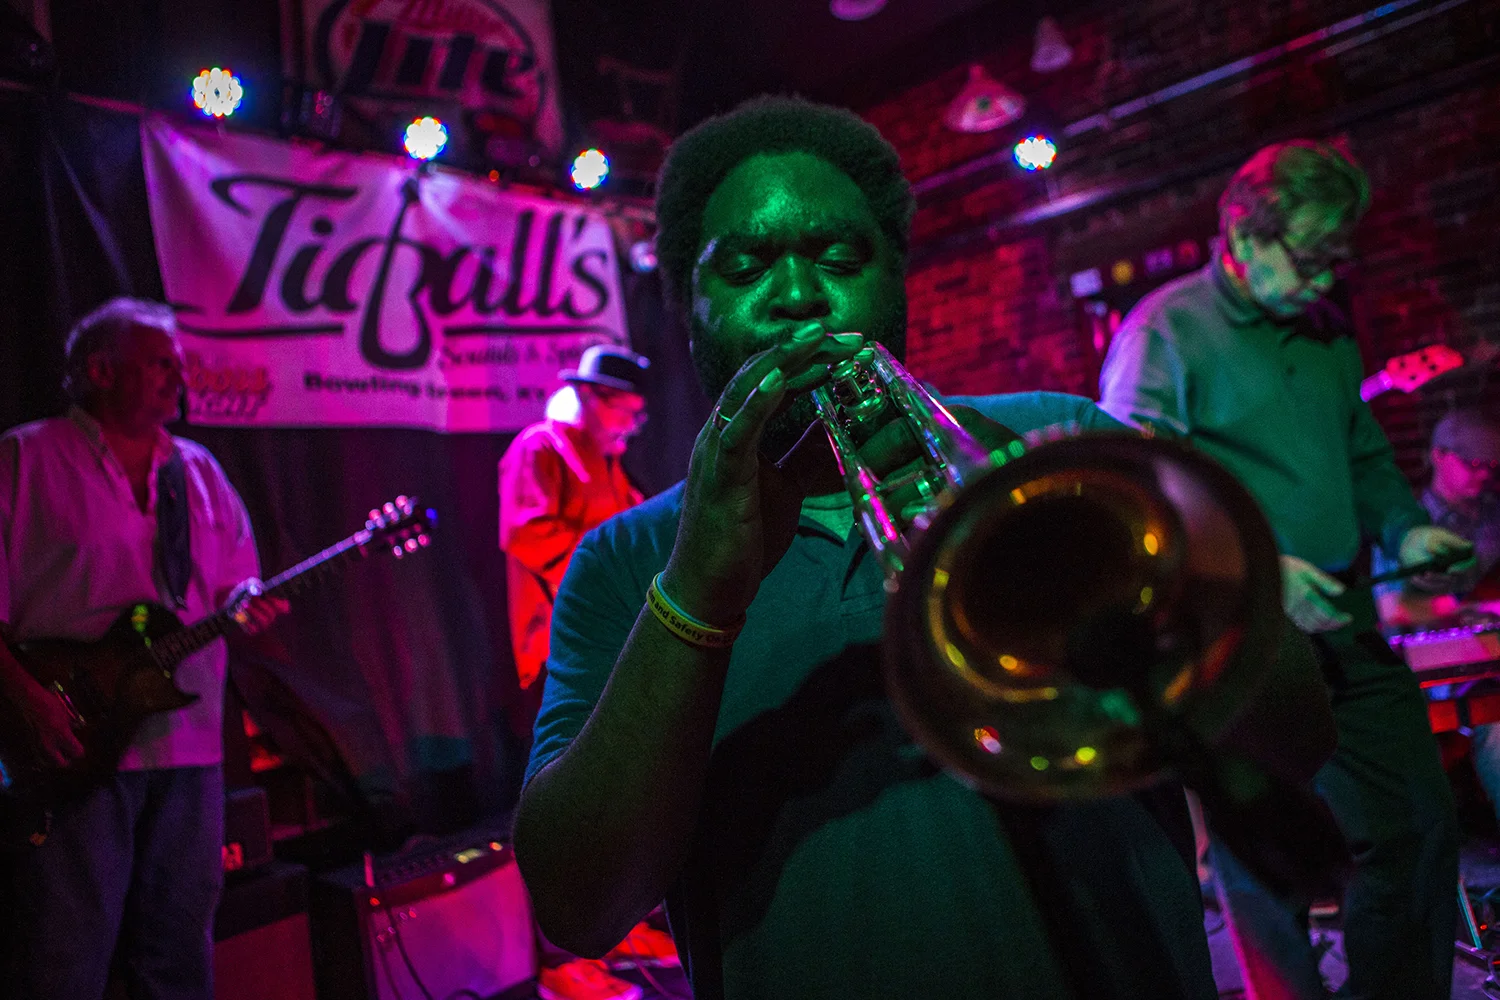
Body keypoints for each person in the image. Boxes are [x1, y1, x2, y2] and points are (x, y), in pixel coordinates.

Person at [512, 96, 1336, 1000]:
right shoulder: (626, 561)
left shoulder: (1062, 443)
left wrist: (1085, 572)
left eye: (839, 258)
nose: (797, 296)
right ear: (690, 307)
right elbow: (577, 906)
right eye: (747, 267)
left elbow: (1295, 735)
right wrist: (695, 599)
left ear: (896, 280)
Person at [1098, 141, 1473, 1000]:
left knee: (1416, 824)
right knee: (1268, 870)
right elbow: (1133, 487)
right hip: (1237, 637)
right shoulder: (1165, 330)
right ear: (1242, 232)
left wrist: (1407, 529)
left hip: (1346, 619)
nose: (1326, 277)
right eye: (1310, 256)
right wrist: (1260, 568)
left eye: (1339, 256)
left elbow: (1367, 458)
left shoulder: (1329, 332)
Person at [0, 297, 287, 999]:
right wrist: (32, 703)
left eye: (179, 362)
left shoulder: (198, 471)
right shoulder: (25, 458)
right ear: (100, 369)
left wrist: (249, 605)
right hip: (77, 749)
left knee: (180, 955)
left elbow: (231, 585)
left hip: (189, 748)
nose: (178, 375)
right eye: (160, 361)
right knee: (67, 958)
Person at [498, 344, 675, 1000]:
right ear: (593, 399)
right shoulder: (538, 450)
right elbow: (531, 535)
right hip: (556, 657)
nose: (632, 427)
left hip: (603, 653)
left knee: (612, 800)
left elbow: (640, 535)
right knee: (563, 805)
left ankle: (619, 933)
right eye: (626, 413)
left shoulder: (607, 464)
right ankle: (559, 964)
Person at [1374, 408, 1500, 822]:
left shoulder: (1493, 516)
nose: (1483, 475)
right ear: (1439, 456)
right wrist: (1474, 610)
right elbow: (1393, 610)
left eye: (1492, 466)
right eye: (1473, 464)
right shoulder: (1406, 527)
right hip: (1430, 677)